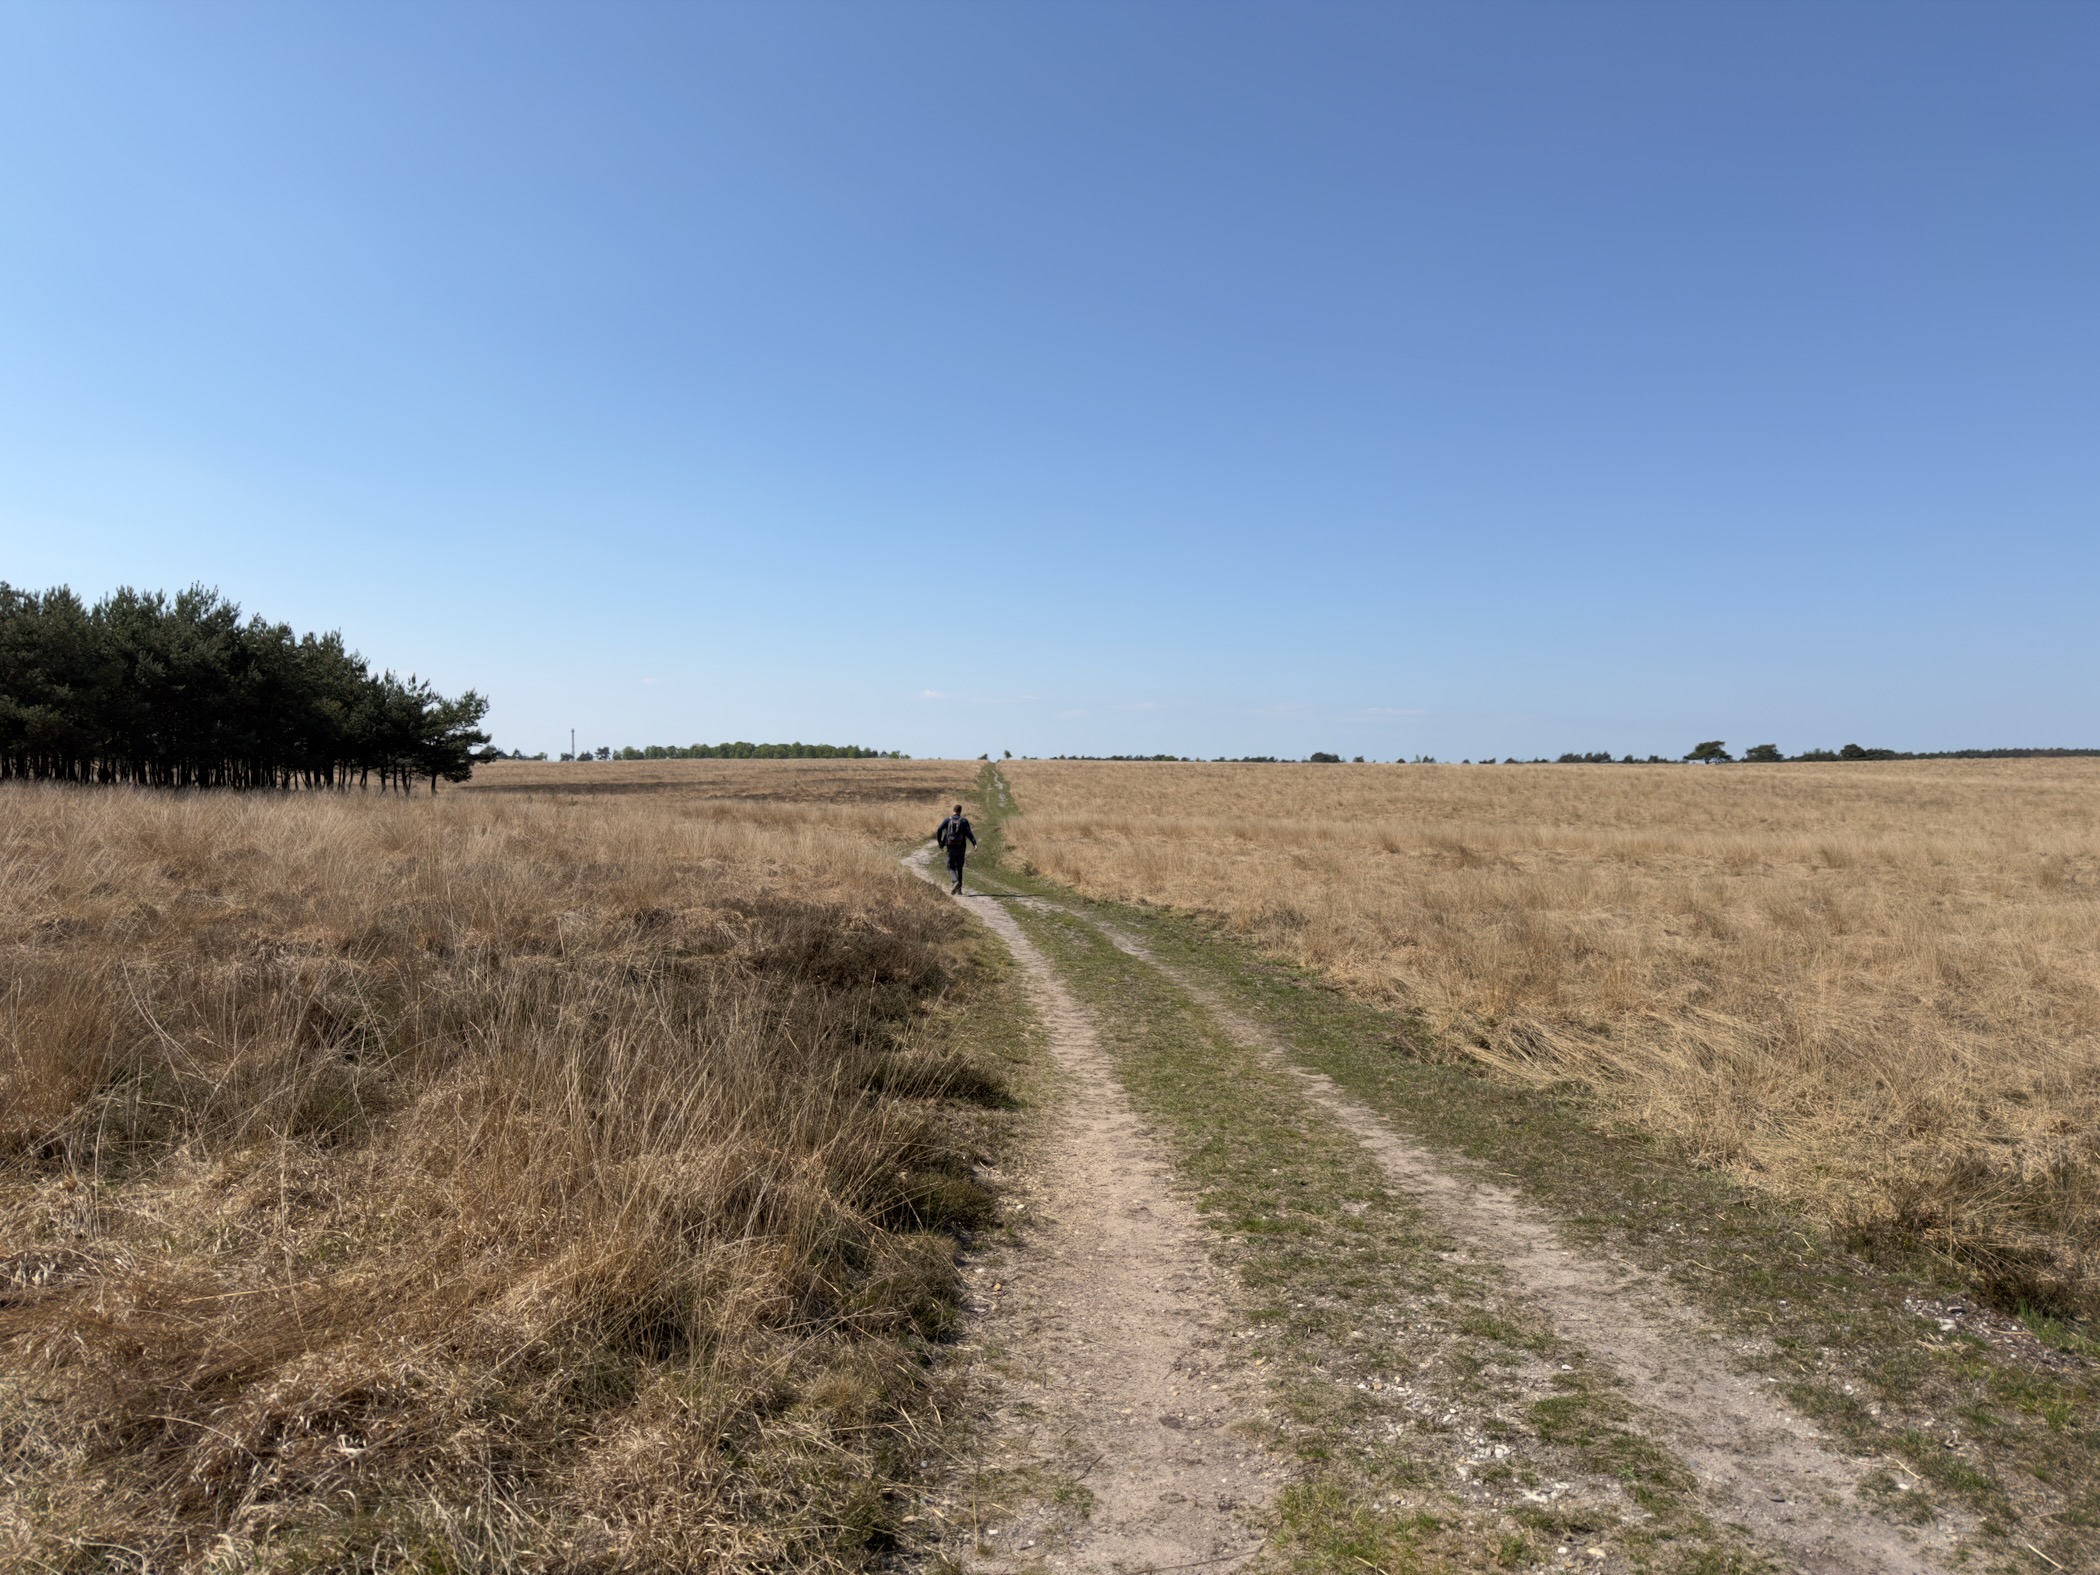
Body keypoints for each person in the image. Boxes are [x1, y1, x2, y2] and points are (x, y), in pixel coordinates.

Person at [934, 803, 977, 894]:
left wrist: (940, 841)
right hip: (961, 847)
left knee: (950, 866)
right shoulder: (964, 821)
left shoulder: (947, 820)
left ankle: (955, 881)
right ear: (960, 811)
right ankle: (959, 890)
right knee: (959, 867)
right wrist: (974, 844)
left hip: (951, 847)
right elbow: (969, 833)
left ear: (953, 811)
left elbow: (939, 830)